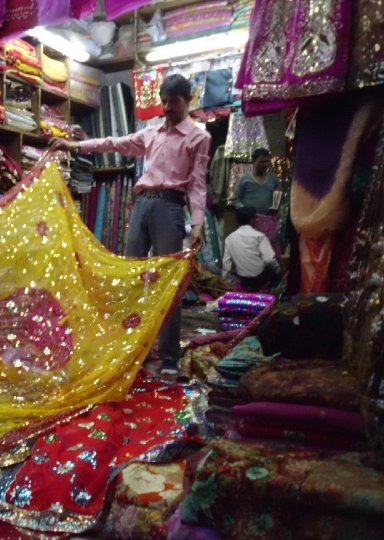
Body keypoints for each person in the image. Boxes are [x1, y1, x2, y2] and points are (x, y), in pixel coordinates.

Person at [50, 74, 212, 376]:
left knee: (168, 283)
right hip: (143, 205)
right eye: (163, 101)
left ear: (188, 100)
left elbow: (198, 185)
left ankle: (169, 359)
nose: (166, 107)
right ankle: (128, 349)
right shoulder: (152, 133)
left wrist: (199, 224)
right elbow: (114, 143)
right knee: (132, 277)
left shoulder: (198, 137)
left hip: (169, 207)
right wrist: (74, 145)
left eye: (173, 102)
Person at [222, 206, 280, 290]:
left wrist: (224, 280)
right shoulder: (259, 236)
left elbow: (226, 263)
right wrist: (278, 270)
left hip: (243, 278)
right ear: (251, 220)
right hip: (260, 277)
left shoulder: (229, 238)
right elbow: (269, 259)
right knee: (274, 271)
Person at [233, 148, 281, 214]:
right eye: (262, 162)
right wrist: (244, 210)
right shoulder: (244, 179)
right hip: (249, 220)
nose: (265, 164)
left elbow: (279, 196)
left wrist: (276, 208)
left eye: (267, 161)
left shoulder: (273, 178)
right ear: (254, 162)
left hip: (268, 219)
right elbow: (236, 199)